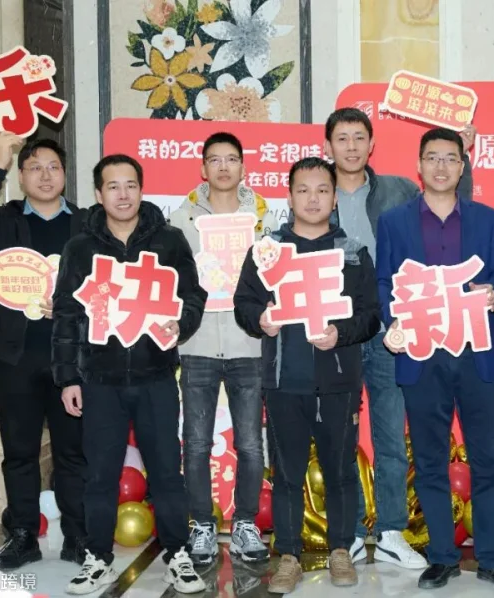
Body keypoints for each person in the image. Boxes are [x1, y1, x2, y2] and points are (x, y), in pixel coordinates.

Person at [324, 107, 475, 569]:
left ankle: (390, 531)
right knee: (341, 437)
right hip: (338, 331)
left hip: (392, 327)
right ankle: (350, 533)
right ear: (328, 146)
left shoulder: (398, 189)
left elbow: (450, 212)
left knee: (391, 435)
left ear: (372, 145)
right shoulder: (316, 190)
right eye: (342, 138)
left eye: (359, 138)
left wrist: (465, 157)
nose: (351, 147)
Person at [375, 128, 494, 592]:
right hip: (421, 355)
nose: (441, 166)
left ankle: (493, 559)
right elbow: (384, 282)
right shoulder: (394, 222)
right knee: (430, 462)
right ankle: (441, 557)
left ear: (463, 166)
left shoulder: (487, 218)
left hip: (477, 354)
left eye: (450, 158)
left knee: (488, 462)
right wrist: (393, 322)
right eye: (432, 158)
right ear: (419, 165)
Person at [52, 154, 207, 594]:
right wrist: (68, 378)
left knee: (167, 472)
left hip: (155, 376)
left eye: (131, 185)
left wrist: (182, 323)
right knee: (100, 475)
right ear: (98, 194)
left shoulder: (169, 240)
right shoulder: (80, 248)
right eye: (113, 186)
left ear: (142, 189)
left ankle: (177, 555)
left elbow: (193, 295)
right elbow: (65, 316)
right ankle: (97, 558)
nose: (123, 195)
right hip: (99, 381)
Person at [234, 157, 380, 594]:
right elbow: (244, 302)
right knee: (286, 476)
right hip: (284, 381)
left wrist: (341, 333)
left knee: (340, 472)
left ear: (334, 198)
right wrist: (260, 319)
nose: (312, 199)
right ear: (290, 196)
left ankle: (341, 550)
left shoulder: (353, 253)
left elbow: (371, 315)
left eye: (322, 190)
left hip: (338, 382)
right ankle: (289, 556)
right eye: (303, 190)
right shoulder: (268, 252)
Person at [0, 132, 86, 570]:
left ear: (65, 175)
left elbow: (106, 282)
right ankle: (23, 535)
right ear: (21, 176)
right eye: (34, 168)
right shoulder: (4, 221)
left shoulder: (87, 224)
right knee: (19, 450)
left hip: (72, 358)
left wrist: (73, 306)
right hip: (17, 355)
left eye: (53, 167)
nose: (45, 176)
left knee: (73, 451)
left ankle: (78, 535)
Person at [168, 132, 278, 566]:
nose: (224, 167)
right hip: (196, 343)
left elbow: (274, 277)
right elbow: (172, 279)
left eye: (232, 159)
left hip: (247, 343)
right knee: (195, 443)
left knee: (250, 443)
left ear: (243, 167)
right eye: (215, 160)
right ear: (203, 168)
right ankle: (201, 524)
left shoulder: (262, 220)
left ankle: (246, 523)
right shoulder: (181, 219)